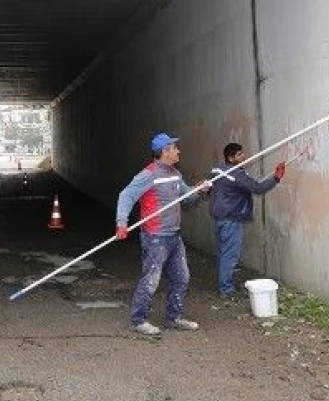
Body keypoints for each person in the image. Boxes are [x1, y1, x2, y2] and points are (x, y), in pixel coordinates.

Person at [115, 133, 211, 335]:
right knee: (151, 279)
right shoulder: (149, 174)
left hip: (174, 236)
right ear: (165, 151)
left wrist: (200, 190)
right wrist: (121, 223)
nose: (178, 151)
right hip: (155, 237)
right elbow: (126, 196)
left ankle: (173, 317)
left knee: (181, 278)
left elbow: (186, 200)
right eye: (174, 148)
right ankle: (138, 320)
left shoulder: (175, 174)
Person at [208, 142, 285, 298]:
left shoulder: (217, 170)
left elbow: (210, 189)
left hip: (220, 218)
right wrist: (276, 178)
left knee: (224, 253)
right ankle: (226, 290)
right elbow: (258, 188)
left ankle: (225, 284)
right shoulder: (236, 174)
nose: (244, 156)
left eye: (243, 152)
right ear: (230, 157)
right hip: (231, 220)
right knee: (230, 255)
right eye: (239, 154)